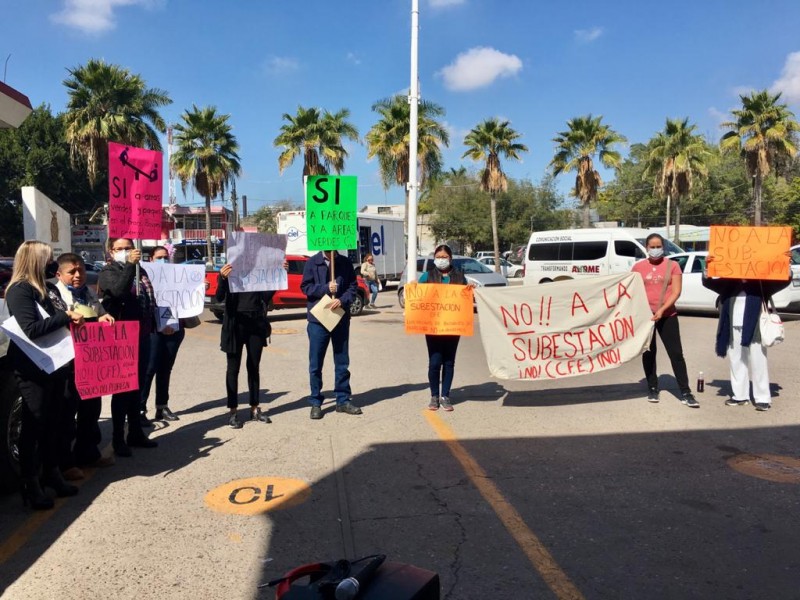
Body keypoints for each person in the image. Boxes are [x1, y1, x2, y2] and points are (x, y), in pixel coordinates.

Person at [5, 241, 84, 509]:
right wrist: (65, 317)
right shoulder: (19, 290)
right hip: (32, 368)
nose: (53, 263)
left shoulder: (47, 289)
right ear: (36, 260)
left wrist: (71, 317)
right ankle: (31, 483)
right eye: (49, 259)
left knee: (55, 422)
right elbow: (31, 329)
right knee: (33, 424)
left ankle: (52, 474)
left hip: (56, 365)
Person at [702, 254, 790, 411]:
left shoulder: (762, 282)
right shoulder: (728, 281)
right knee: (736, 360)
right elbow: (708, 282)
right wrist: (708, 266)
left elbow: (783, 280)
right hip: (732, 325)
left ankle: (762, 398)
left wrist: (785, 263)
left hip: (755, 326)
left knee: (758, 360)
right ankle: (740, 396)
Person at [54, 253, 116, 475]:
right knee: (67, 413)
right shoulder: (55, 295)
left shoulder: (88, 292)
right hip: (68, 363)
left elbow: (98, 313)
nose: (78, 275)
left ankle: (89, 453)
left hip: (91, 363)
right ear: (59, 274)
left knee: (91, 410)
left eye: (80, 270)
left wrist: (103, 317)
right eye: (72, 271)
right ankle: (66, 462)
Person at [99, 238, 158, 456]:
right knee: (122, 388)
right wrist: (130, 266)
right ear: (111, 251)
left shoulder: (139, 271)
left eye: (128, 248)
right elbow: (117, 293)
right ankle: (117, 438)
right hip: (121, 337)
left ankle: (135, 432)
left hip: (141, 334)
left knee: (137, 386)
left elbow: (148, 299)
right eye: (120, 249)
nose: (125, 252)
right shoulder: (109, 271)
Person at [630, 233, 699, 407]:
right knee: (649, 353)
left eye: (658, 246)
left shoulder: (673, 266)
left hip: (668, 316)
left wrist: (661, 310)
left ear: (663, 247)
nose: (655, 250)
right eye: (652, 247)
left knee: (676, 354)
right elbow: (631, 291)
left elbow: (676, 291)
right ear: (646, 248)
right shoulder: (638, 267)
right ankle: (652, 387)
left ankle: (685, 392)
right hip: (646, 317)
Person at [301, 250, 362, 419]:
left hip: (340, 318)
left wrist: (341, 300)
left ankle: (342, 400)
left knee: (342, 361)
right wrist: (325, 288)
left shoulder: (345, 262)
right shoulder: (312, 262)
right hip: (318, 320)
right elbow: (305, 287)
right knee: (315, 364)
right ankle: (315, 402)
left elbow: (353, 286)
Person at [216, 263, 277, 428]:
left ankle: (255, 408)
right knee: (233, 369)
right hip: (235, 325)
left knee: (254, 367)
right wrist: (222, 278)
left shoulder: (258, 272)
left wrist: (279, 273)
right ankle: (233, 411)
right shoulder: (228, 271)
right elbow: (219, 296)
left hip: (255, 325)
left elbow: (266, 296)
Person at [418, 244, 475, 412]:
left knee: (449, 362)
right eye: (438, 256)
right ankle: (434, 396)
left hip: (453, 326)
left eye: (444, 257)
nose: (441, 260)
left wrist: (470, 290)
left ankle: (445, 396)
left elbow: (465, 297)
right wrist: (413, 289)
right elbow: (417, 296)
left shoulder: (459, 277)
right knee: (435, 362)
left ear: (450, 258)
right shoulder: (427, 276)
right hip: (433, 327)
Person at [140, 246, 184, 423]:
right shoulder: (143, 278)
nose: (163, 260)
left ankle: (162, 406)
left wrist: (199, 288)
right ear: (151, 259)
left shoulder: (177, 275)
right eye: (159, 257)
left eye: (166, 257)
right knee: (149, 369)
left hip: (174, 328)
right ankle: (140, 408)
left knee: (166, 368)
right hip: (153, 329)